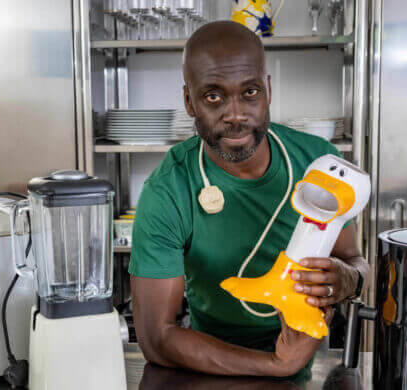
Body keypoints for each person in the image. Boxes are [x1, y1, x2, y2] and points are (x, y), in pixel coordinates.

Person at [129, 21, 370, 378]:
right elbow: (156, 337)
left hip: (305, 360)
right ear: (188, 101)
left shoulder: (316, 164)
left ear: (268, 90)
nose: (236, 115)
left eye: (250, 92)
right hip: (205, 365)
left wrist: (350, 280)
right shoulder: (169, 188)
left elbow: (354, 261)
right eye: (213, 96)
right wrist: (276, 366)